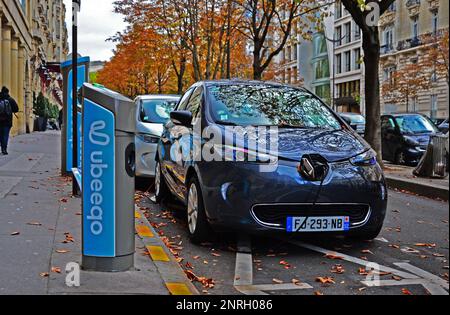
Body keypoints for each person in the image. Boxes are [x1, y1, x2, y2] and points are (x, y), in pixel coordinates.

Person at [0, 87, 19, 155]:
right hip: (7, 121)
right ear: (7, 92)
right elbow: (16, 109)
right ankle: (4, 149)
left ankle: (1, 146)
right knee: (5, 135)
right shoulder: (10, 99)